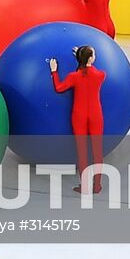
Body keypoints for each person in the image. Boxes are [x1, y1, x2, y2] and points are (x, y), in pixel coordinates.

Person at [49, 46, 105, 194]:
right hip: (96, 115)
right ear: (91, 58)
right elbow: (90, 71)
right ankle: (97, 186)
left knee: (82, 151)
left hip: (79, 116)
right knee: (97, 151)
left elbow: (59, 88)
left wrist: (54, 71)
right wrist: (83, 60)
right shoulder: (100, 75)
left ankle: (84, 186)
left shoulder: (73, 76)